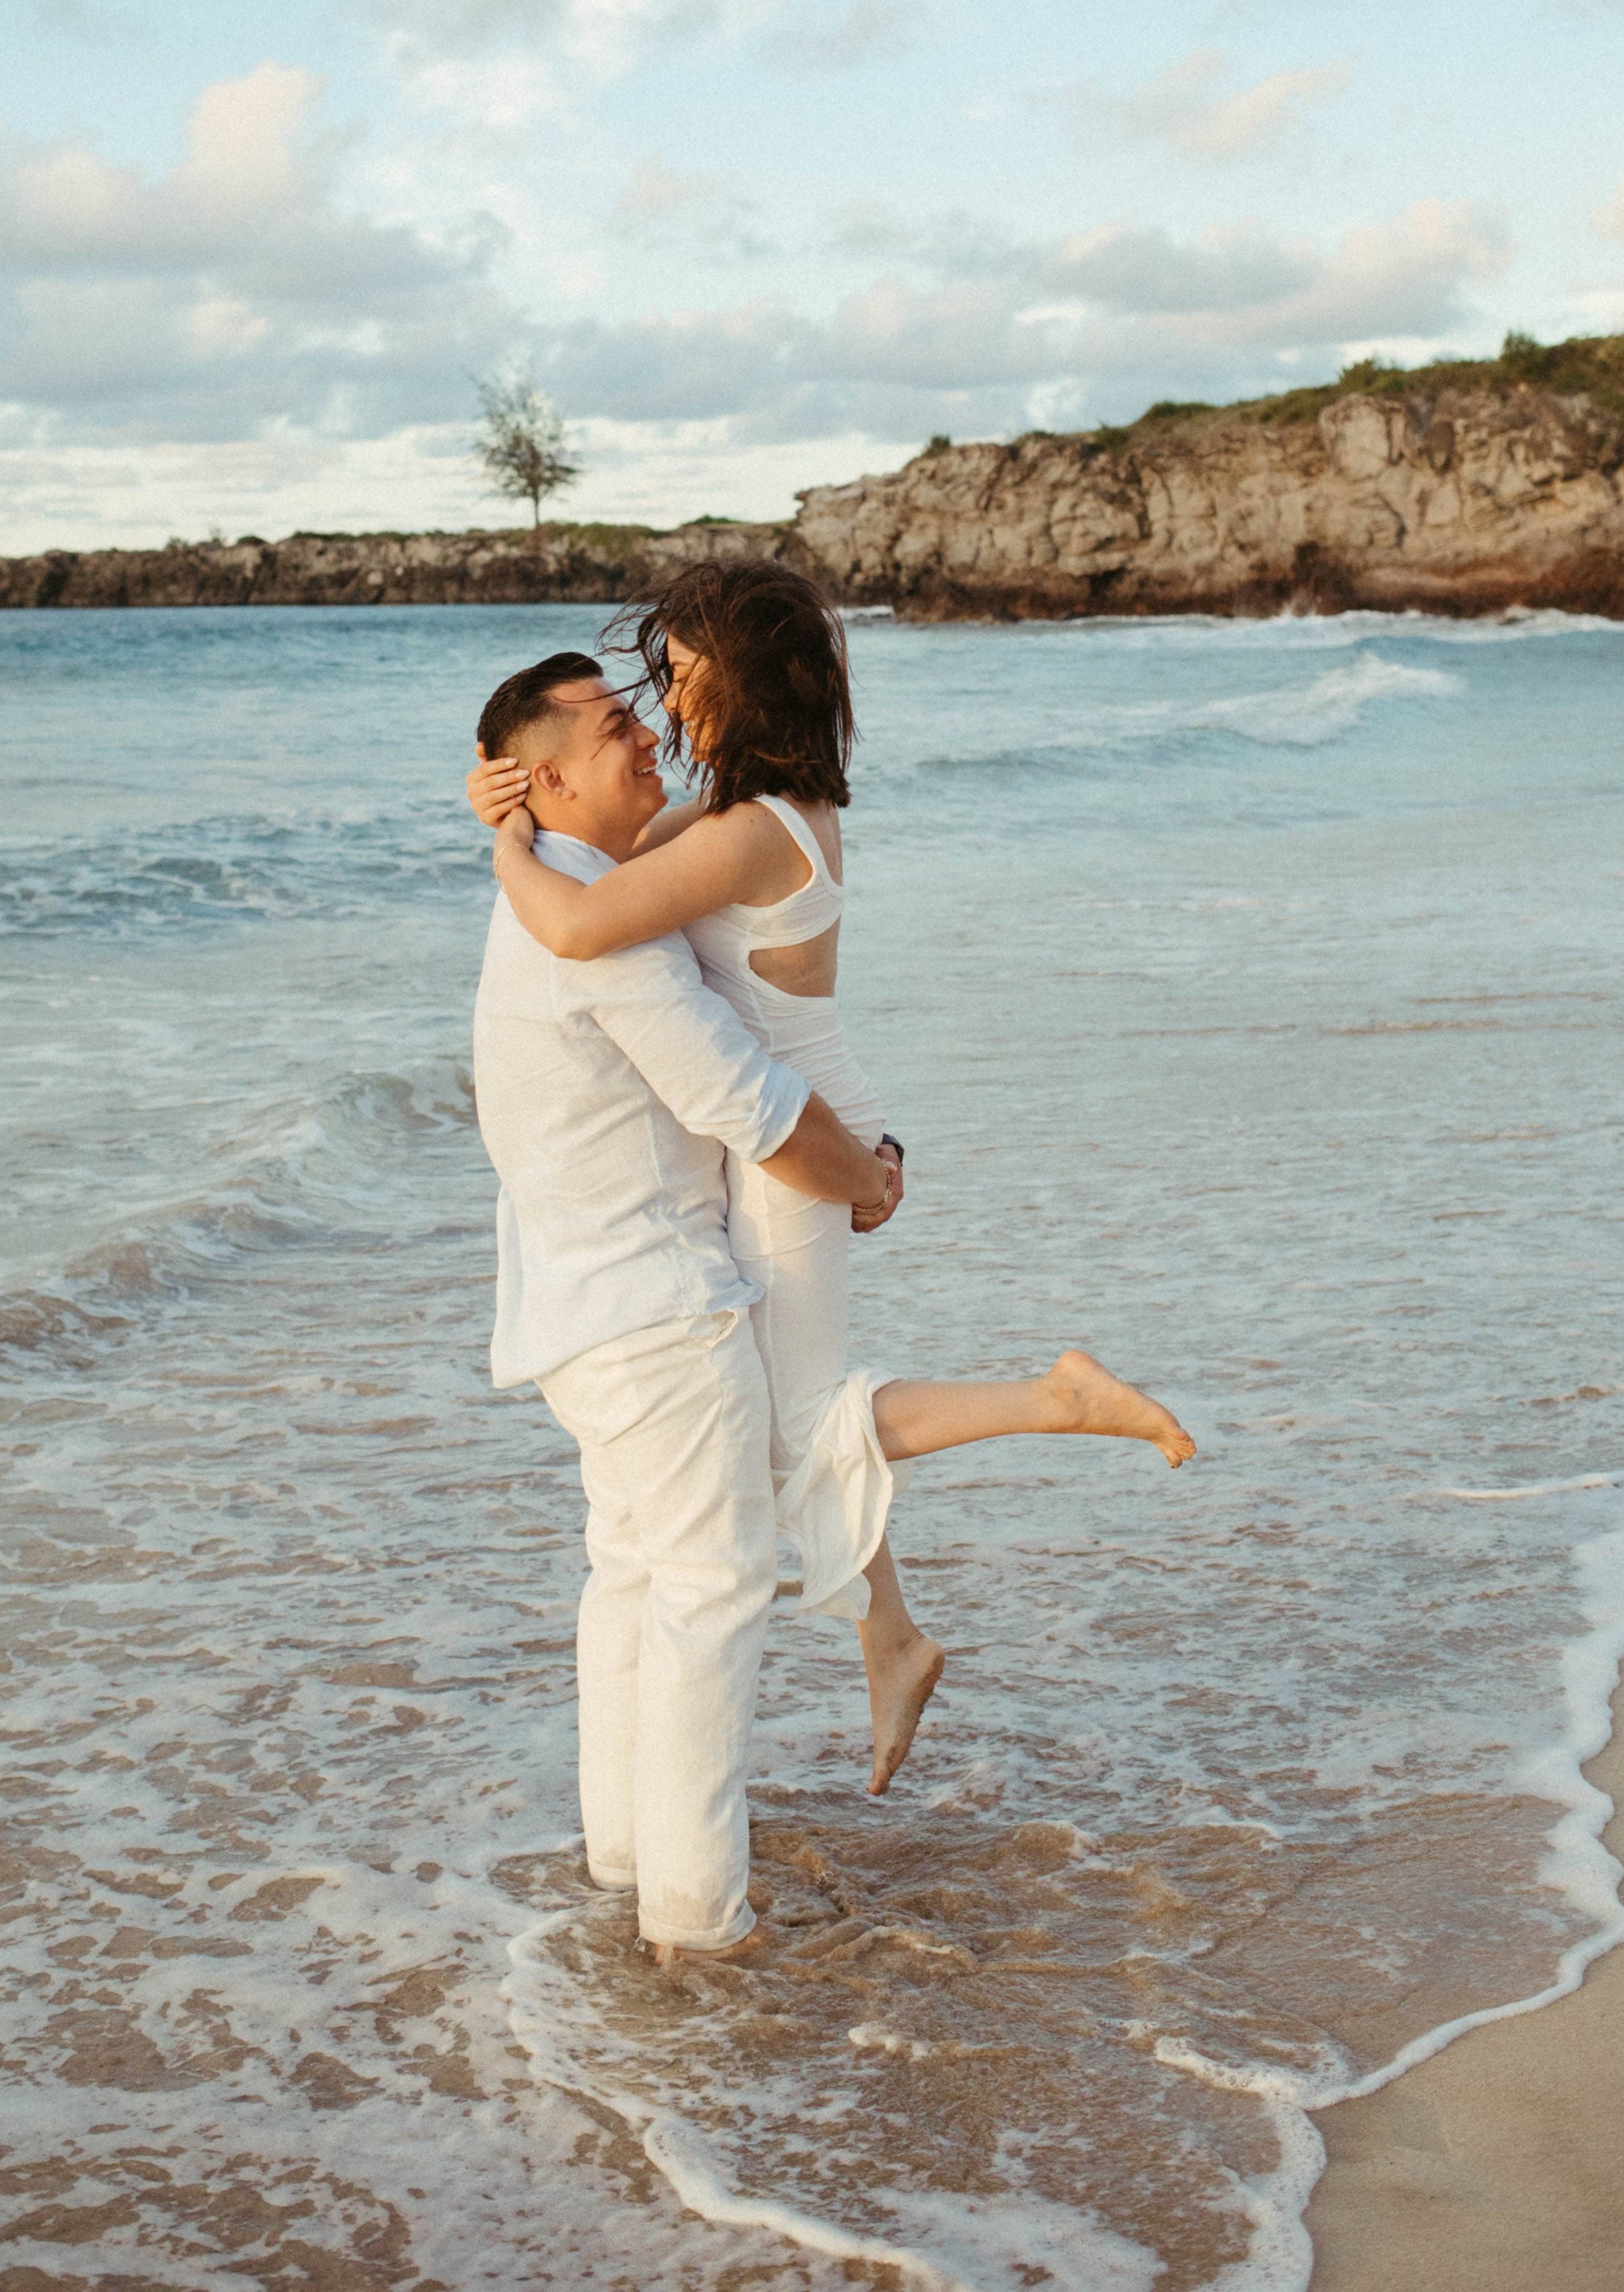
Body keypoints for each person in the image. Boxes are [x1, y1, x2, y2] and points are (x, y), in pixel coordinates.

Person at [469, 563, 1196, 1798]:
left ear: (740, 685)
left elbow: (582, 923)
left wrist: (500, 841)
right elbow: (600, 853)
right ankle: (893, 1639)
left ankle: (1055, 1404)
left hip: (795, 1147)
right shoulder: (752, 808)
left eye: (683, 679)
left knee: (793, 1428)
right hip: (811, 1123)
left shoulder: (749, 831)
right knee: (780, 1429)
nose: (667, 702)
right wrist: (530, 800)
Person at [470, 649, 901, 1964]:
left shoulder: (550, 899)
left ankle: (625, 1863)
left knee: (635, 1580)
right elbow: (745, 1102)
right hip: (660, 1316)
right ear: (547, 777)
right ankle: (702, 1924)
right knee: (714, 1591)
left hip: (573, 1316)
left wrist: (503, 831)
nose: (650, 737)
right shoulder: (603, 927)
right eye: (617, 730)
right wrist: (868, 1186)